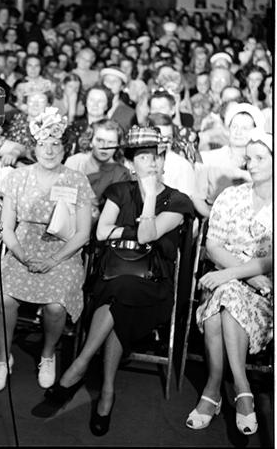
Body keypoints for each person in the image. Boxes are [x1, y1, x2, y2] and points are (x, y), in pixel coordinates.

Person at [37, 125, 194, 437]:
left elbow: (146, 235)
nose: (151, 163)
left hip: (153, 285)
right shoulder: (120, 191)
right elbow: (100, 232)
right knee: (119, 295)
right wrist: (133, 230)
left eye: (155, 157)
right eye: (143, 157)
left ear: (163, 161)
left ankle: (80, 365)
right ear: (131, 164)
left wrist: (149, 200)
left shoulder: (178, 201)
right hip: (112, 276)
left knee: (120, 295)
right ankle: (107, 391)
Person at [0, 108, 93, 393]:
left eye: (55, 144)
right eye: (43, 144)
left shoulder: (77, 180)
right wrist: (21, 255)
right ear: (33, 146)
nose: (49, 150)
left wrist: (53, 260)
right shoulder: (18, 177)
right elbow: (7, 227)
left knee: (55, 305)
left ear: (65, 147)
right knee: (4, 299)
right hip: (22, 247)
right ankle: (3, 358)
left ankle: (48, 355)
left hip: (63, 250)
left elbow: (83, 233)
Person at [186, 130, 272, 436]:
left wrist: (229, 274)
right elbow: (213, 246)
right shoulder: (231, 196)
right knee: (227, 294)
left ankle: (212, 389)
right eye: (249, 158)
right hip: (228, 281)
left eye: (260, 158)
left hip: (266, 292)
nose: (252, 164)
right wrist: (242, 274)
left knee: (222, 297)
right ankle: (242, 387)